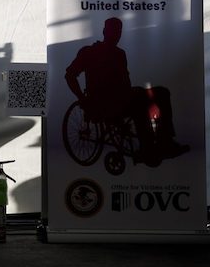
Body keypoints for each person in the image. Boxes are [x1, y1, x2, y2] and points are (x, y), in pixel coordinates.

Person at [65, 16, 187, 161]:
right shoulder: (89, 52)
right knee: (139, 99)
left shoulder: (119, 54)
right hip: (103, 103)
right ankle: (146, 148)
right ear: (105, 32)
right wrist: (83, 99)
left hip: (124, 97)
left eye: (118, 32)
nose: (116, 35)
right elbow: (70, 75)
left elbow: (125, 83)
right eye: (113, 31)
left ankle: (164, 141)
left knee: (161, 92)